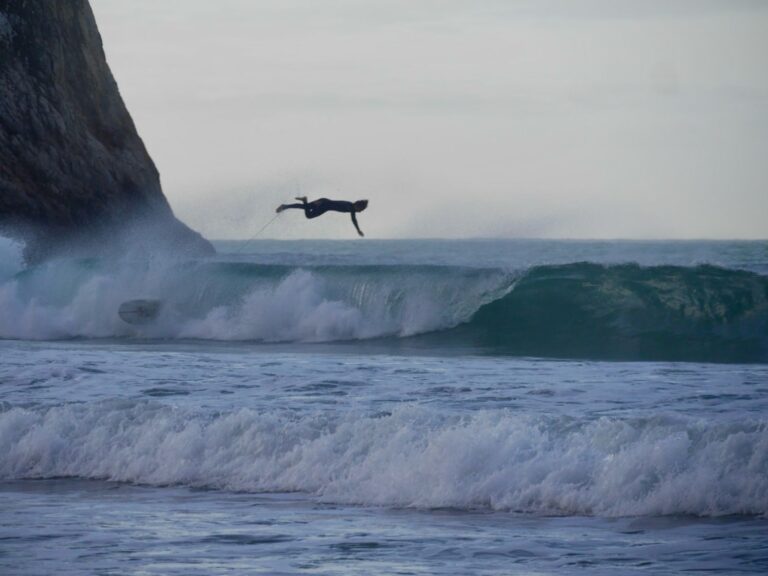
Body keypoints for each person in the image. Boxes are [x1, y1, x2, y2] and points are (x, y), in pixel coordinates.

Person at [277, 197, 368, 237]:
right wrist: (358, 230)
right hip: (324, 204)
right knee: (307, 212)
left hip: (324, 202)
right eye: (361, 209)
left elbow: (353, 217)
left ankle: (286, 206)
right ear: (357, 205)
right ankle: (285, 206)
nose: (360, 211)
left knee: (307, 209)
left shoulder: (349, 205)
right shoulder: (350, 207)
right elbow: (353, 219)